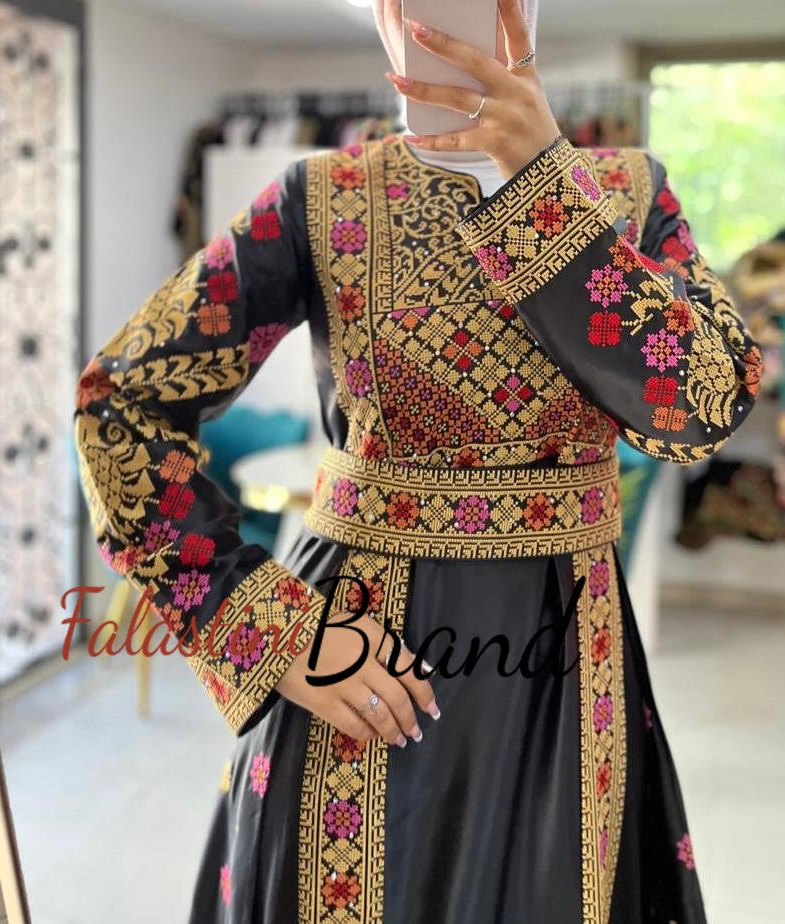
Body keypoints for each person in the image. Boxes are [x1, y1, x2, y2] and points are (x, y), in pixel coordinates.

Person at [73, 1, 762, 921]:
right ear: (383, 14)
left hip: (564, 671)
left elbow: (700, 409)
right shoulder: (318, 196)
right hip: (351, 666)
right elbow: (119, 402)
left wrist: (543, 188)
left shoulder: (628, 193)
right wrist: (263, 628)